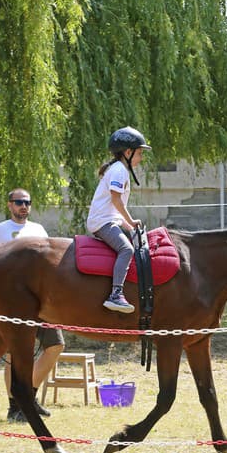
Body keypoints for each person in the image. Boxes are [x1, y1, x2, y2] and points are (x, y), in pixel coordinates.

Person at [0, 188, 65, 422]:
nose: (23, 206)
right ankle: (15, 406)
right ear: (9, 205)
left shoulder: (38, 230)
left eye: (27, 202)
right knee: (14, 354)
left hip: (42, 303)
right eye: (19, 202)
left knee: (56, 345)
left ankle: (27, 398)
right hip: (12, 302)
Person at [85, 126, 151, 314]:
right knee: (126, 249)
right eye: (139, 153)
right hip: (103, 222)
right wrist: (129, 220)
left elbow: (114, 206)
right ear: (128, 152)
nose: (141, 158)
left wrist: (129, 224)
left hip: (109, 219)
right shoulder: (119, 170)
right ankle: (116, 294)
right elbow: (116, 199)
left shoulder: (118, 168)